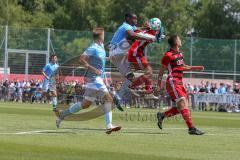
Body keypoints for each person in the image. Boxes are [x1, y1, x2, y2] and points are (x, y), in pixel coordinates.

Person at [56, 28, 121, 134]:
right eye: (103, 34)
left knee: (85, 105)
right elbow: (81, 59)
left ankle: (62, 115)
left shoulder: (101, 47)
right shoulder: (93, 47)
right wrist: (93, 69)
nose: (104, 36)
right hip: (94, 79)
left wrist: (110, 59)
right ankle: (109, 125)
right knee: (109, 99)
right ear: (100, 36)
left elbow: (101, 59)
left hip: (95, 80)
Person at [157, 35, 205, 135]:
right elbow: (161, 72)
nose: (180, 40)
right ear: (175, 42)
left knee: (182, 107)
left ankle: (162, 115)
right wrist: (158, 85)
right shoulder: (168, 55)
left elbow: (183, 67)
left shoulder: (179, 54)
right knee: (183, 104)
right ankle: (191, 128)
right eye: (179, 39)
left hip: (179, 82)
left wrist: (196, 68)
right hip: (172, 82)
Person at [109, 13, 156, 102]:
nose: (136, 20)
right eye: (134, 18)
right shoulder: (126, 26)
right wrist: (148, 38)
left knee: (130, 77)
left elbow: (139, 30)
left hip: (116, 56)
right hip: (117, 51)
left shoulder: (131, 27)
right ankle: (140, 88)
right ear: (127, 18)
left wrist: (147, 29)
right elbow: (132, 35)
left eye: (136, 18)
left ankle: (118, 97)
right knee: (132, 37)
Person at [128, 18, 162, 99]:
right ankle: (131, 87)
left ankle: (149, 91)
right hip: (135, 53)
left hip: (139, 53)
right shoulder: (151, 34)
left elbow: (135, 33)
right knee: (149, 72)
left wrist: (144, 27)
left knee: (149, 72)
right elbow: (156, 38)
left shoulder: (146, 31)